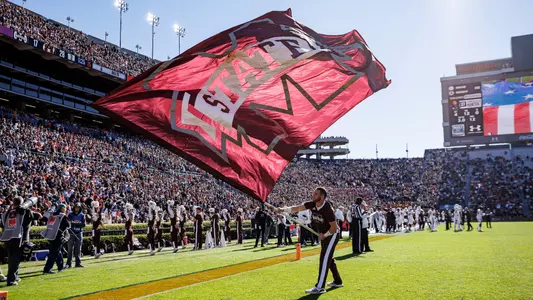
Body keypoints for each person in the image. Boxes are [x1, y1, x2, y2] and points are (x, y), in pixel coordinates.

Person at [279, 187, 343, 295]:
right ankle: (338, 281)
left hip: (332, 234)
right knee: (328, 258)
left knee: (324, 258)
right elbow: (297, 208)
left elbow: (334, 228)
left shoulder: (327, 209)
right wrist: (283, 210)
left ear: (322, 197)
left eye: (316, 194)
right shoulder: (313, 204)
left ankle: (320, 287)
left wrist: (325, 235)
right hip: (324, 234)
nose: (313, 196)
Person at [0, 196, 40, 286]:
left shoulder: (5, 213)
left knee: (12, 259)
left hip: (6, 238)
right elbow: (38, 216)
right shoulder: (25, 212)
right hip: (18, 238)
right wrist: (29, 207)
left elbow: (2, 225)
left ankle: (15, 277)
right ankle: (11, 280)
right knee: (15, 260)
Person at [42, 204, 70, 274]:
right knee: (54, 253)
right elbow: (68, 225)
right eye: (65, 208)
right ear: (62, 208)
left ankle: (60, 266)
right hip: (57, 235)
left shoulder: (51, 214)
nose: (65, 209)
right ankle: (47, 269)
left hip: (49, 235)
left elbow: (44, 217)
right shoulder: (62, 216)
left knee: (57, 251)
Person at [65, 202, 85, 268]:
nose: (77, 209)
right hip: (71, 233)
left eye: (79, 207)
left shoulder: (82, 215)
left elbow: (83, 225)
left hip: (79, 233)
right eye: (76, 207)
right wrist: (78, 224)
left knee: (78, 249)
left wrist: (74, 224)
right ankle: (68, 263)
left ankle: (78, 263)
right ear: (74, 208)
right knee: (70, 249)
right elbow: (68, 224)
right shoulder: (70, 215)